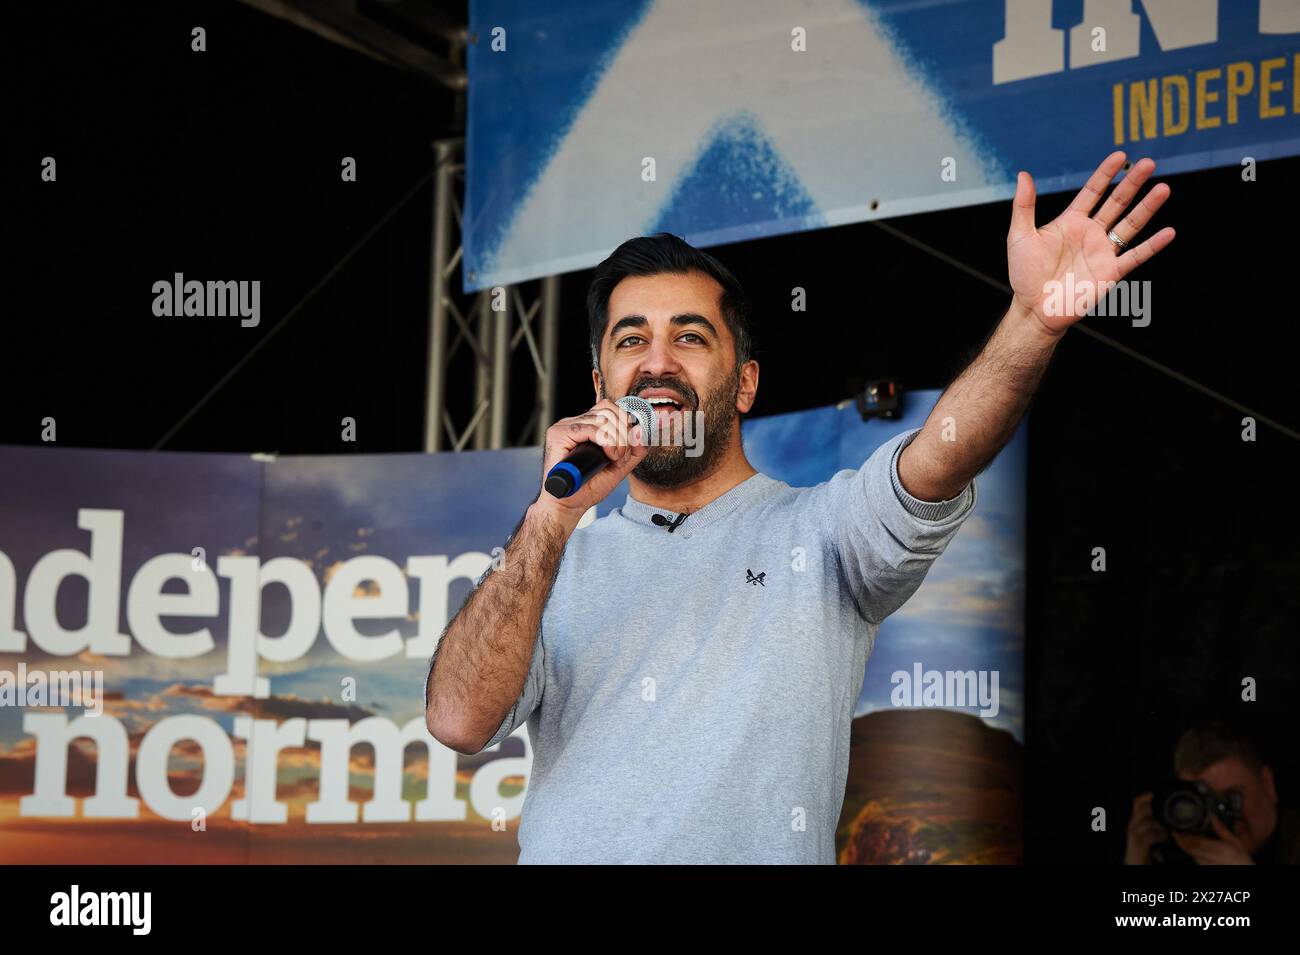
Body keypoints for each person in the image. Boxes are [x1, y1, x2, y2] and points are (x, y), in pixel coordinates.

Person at [426, 151, 1175, 863]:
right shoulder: (551, 560)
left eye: (690, 336)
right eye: (633, 340)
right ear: (601, 385)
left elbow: (939, 457)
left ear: (745, 384)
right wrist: (551, 519)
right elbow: (459, 720)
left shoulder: (821, 530)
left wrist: (1031, 322)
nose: (658, 361)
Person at [1125, 721, 1299, 865]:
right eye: (1201, 802)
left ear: (1268, 784)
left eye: (1231, 798)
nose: (1217, 816)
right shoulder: (1175, 851)